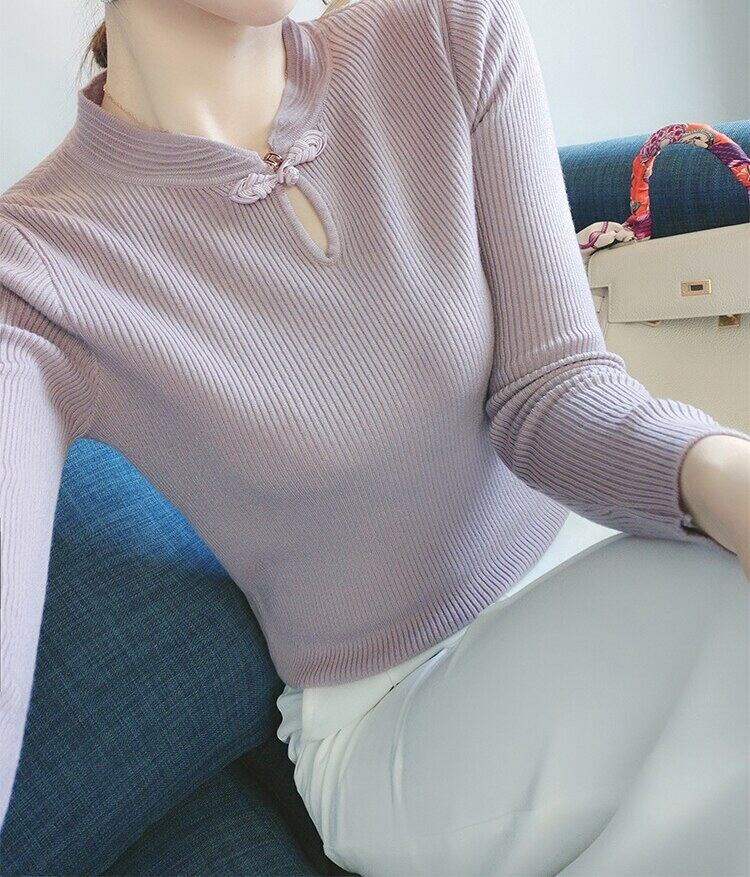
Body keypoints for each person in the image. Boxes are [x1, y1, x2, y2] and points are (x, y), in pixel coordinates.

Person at [1, 0, 748, 872]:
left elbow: (553, 391)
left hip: (594, 564)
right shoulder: (38, 269)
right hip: (397, 719)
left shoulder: (451, 33)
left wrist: (724, 470)